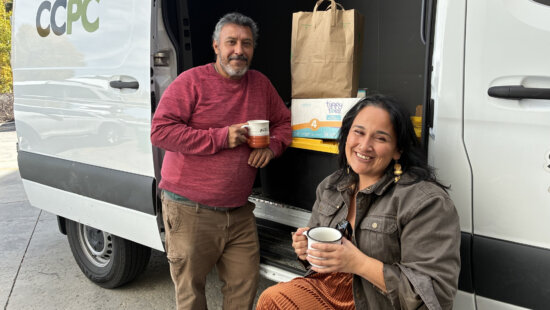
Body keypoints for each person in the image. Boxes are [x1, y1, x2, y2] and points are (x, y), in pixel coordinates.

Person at [257, 94, 460, 310]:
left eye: (380, 138)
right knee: (272, 300)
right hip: (325, 290)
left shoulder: (425, 202)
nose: (364, 145)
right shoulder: (331, 185)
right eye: (359, 132)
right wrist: (306, 251)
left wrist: (358, 263)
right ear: (346, 135)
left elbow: (434, 297)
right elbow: (319, 257)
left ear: (398, 150)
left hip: (374, 303)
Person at [150, 12, 292, 310]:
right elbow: (161, 132)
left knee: (244, 288)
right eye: (231, 42)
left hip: (239, 212)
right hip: (190, 210)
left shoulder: (260, 84)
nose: (239, 50)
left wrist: (274, 147)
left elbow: (283, 123)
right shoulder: (191, 82)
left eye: (247, 43)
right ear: (216, 46)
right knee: (191, 294)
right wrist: (219, 138)